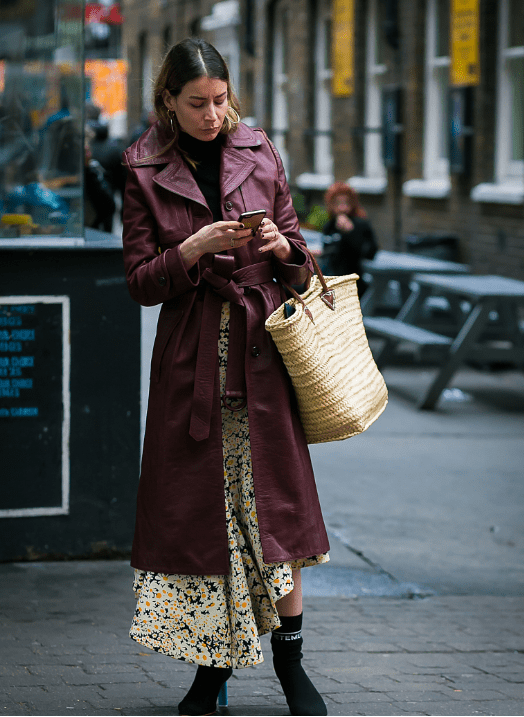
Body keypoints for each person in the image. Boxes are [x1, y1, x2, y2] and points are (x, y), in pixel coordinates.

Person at [122, 37, 329, 717]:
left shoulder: (259, 148)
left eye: (220, 100)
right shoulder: (142, 166)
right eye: (197, 104)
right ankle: (212, 674)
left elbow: (302, 255)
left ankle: (293, 670)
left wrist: (281, 248)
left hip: (262, 355)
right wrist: (190, 248)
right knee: (209, 523)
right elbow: (139, 283)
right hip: (192, 363)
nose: (214, 115)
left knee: (277, 517)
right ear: (168, 102)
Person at [319, 181, 378, 291]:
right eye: (337, 203)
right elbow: (328, 251)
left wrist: (350, 232)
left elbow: (369, 252)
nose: (342, 208)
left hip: (353, 283)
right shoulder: (330, 226)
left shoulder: (360, 224)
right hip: (330, 281)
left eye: (346, 203)